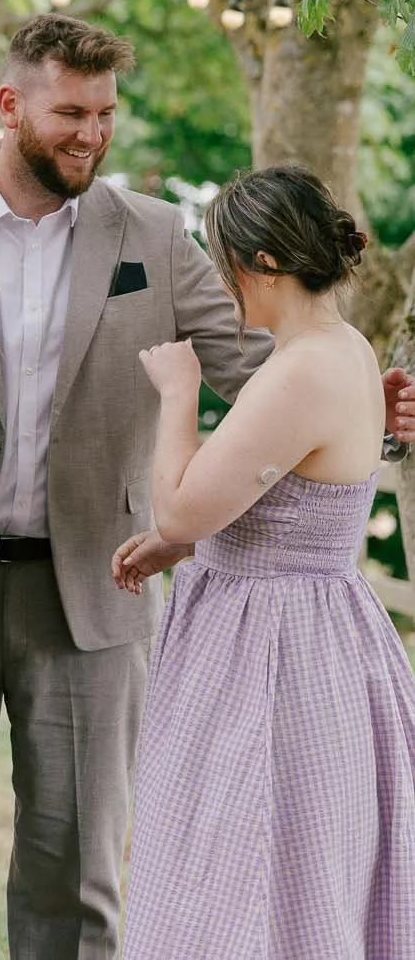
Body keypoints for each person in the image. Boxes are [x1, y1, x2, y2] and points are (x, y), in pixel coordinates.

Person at [0, 15, 267, 960]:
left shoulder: (149, 231)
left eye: (105, 113)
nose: (91, 133)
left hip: (95, 592)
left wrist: (359, 392)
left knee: (78, 884)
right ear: (10, 104)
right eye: (71, 111)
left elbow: (249, 365)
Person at [117, 166, 415, 957]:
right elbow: (274, 490)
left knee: (241, 866)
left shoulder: (300, 368)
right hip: (316, 628)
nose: (224, 283)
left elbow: (180, 500)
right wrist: (186, 543)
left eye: (228, 265)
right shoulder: (342, 348)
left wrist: (178, 393)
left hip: (271, 653)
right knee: (290, 873)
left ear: (266, 263)